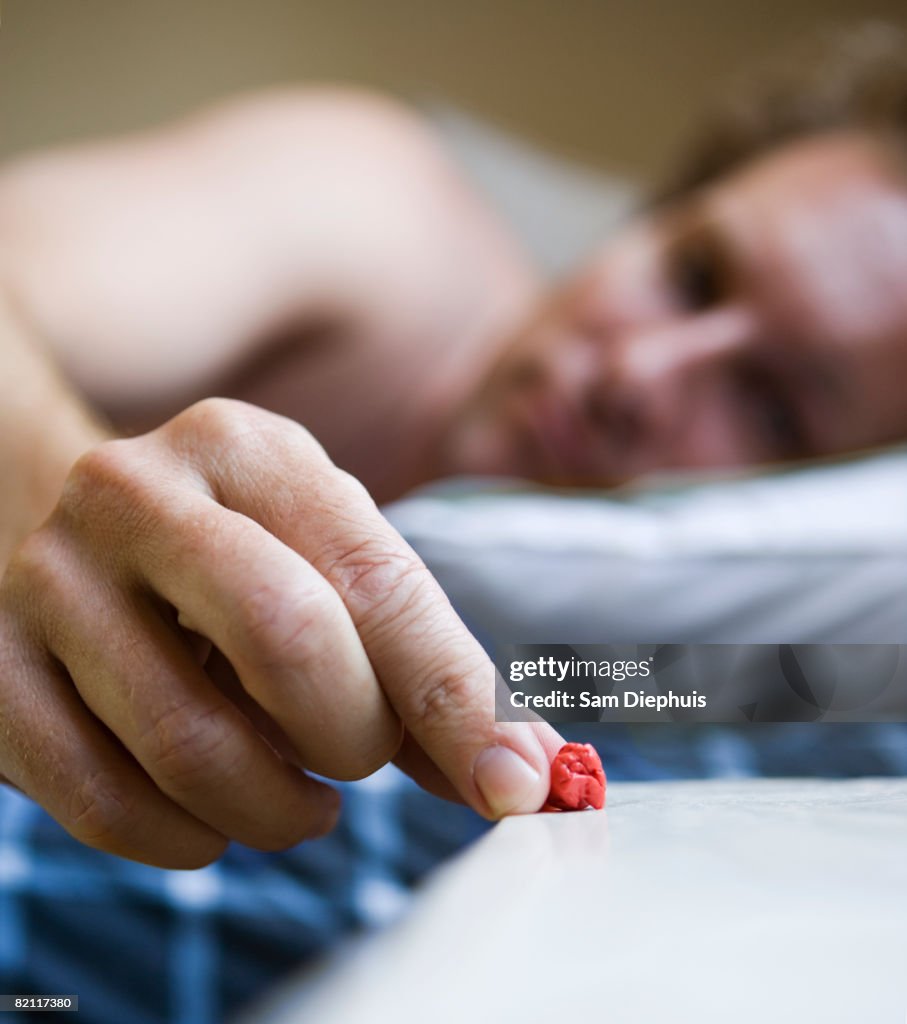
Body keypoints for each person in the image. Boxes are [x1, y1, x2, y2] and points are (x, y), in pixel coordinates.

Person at [0, 18, 906, 1019]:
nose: (641, 375)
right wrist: (68, 497)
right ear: (648, 214)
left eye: (771, 406)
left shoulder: (689, 691)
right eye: (692, 274)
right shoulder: (373, 211)